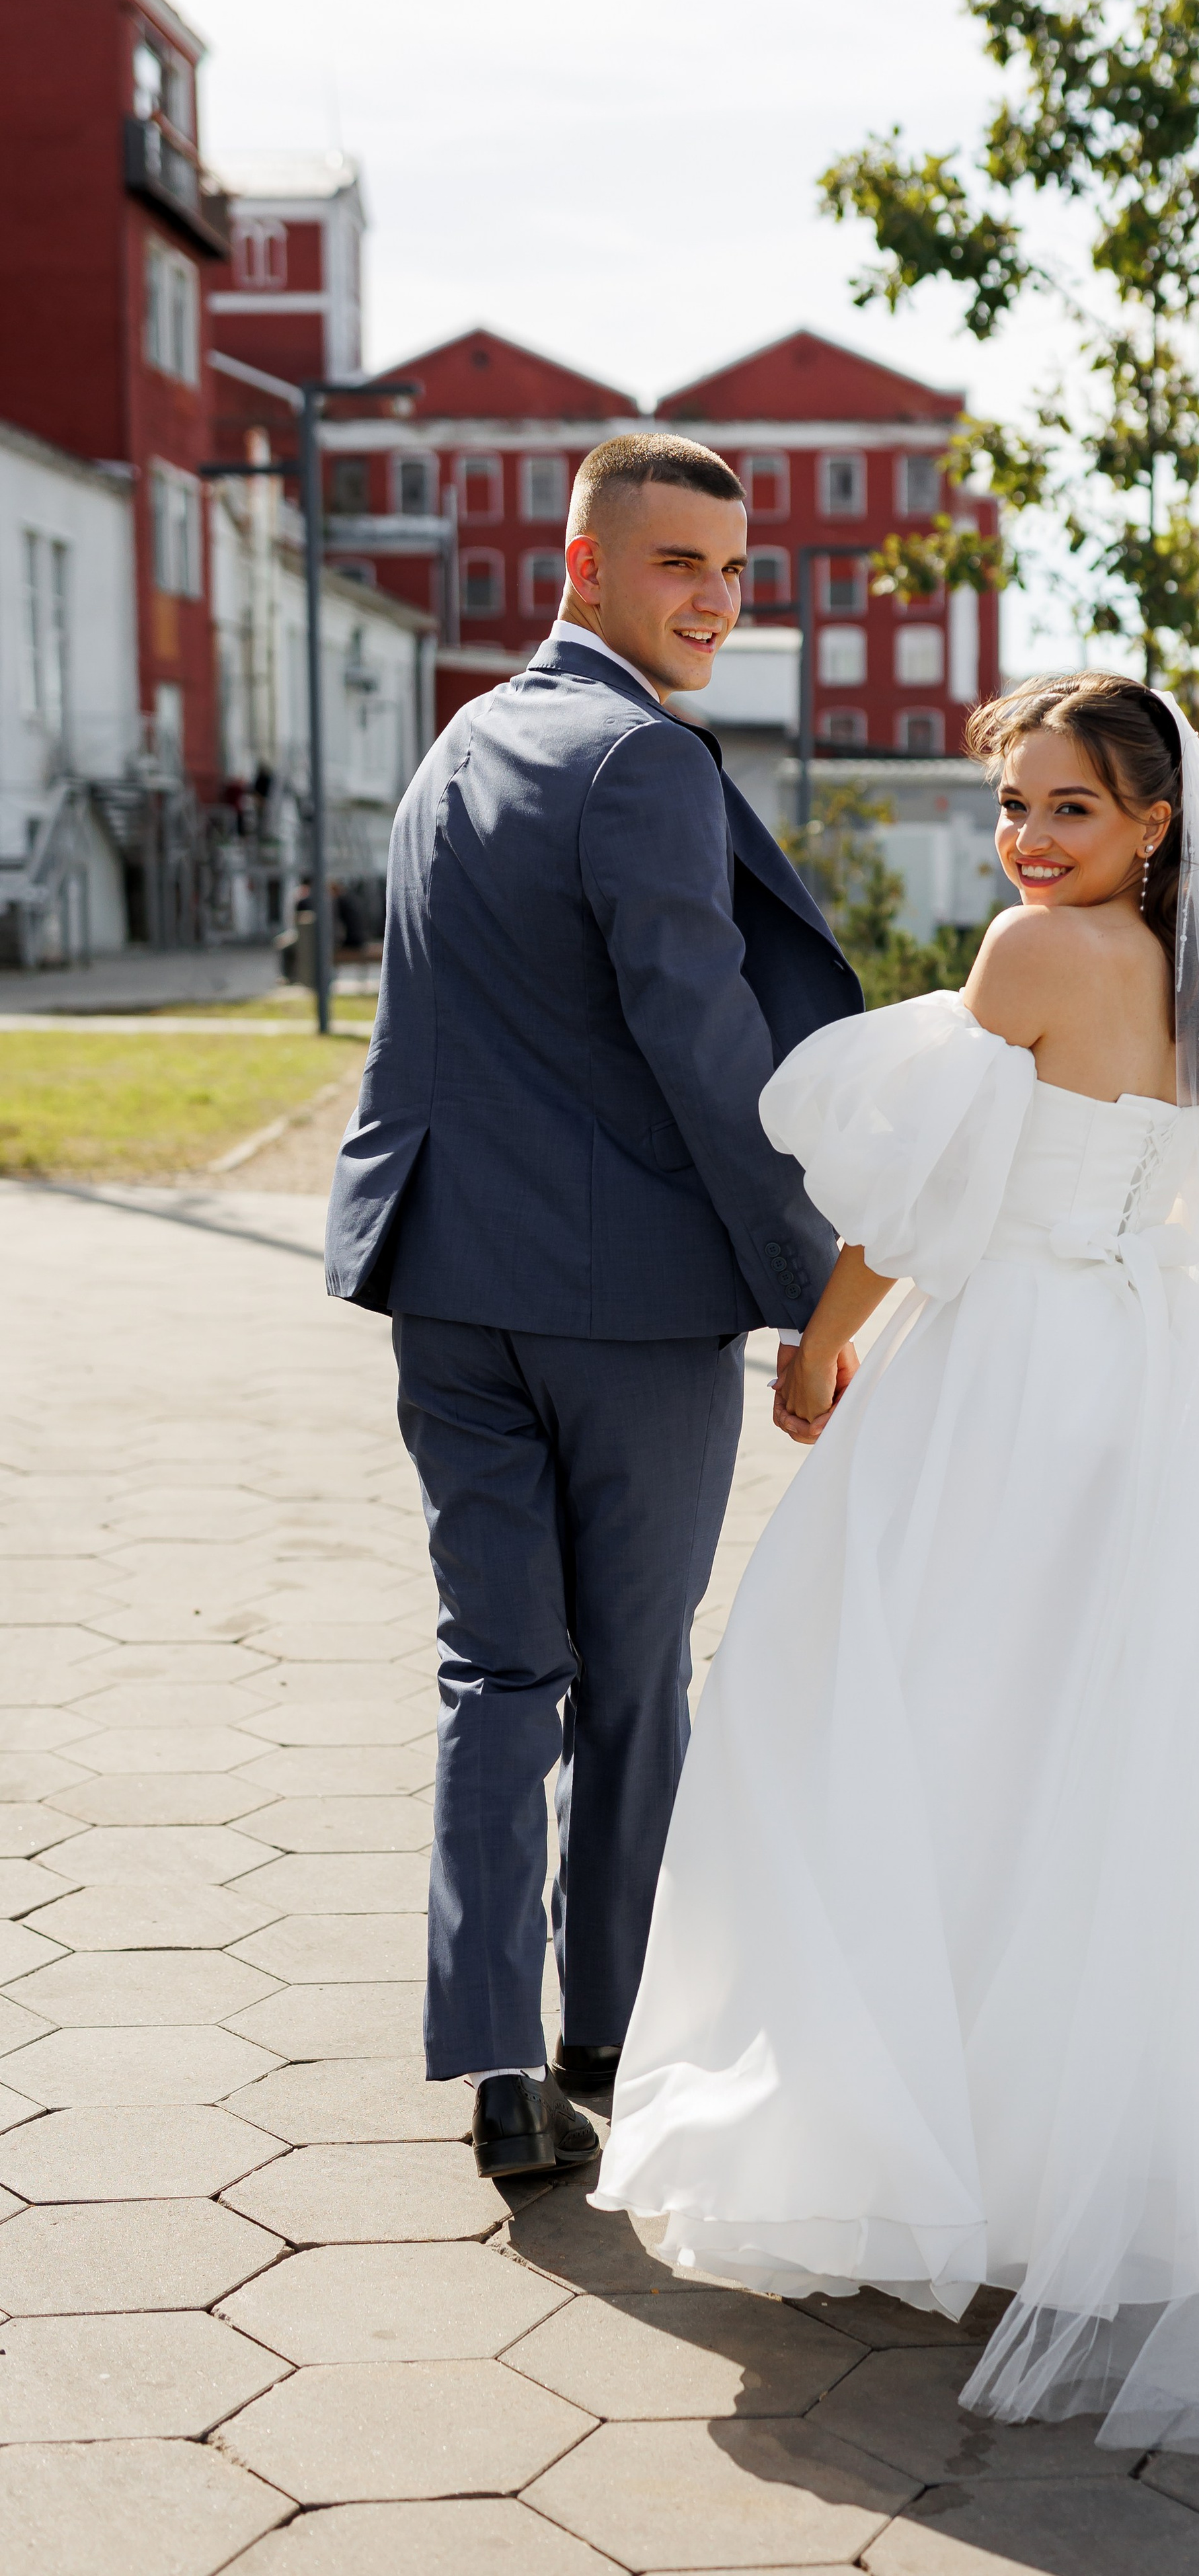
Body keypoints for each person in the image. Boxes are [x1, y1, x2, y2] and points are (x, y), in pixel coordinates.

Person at [594, 674, 1199, 2483]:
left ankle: (912, 2140)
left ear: (1154, 821)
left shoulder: (1030, 956)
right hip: (1132, 1377)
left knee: (896, 1726)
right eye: (1015, 804)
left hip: (1001, 1376)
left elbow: (916, 1205)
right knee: (1081, 1753)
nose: (1029, 839)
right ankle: (1068, 2154)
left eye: (1069, 807)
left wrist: (817, 1347)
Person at [323, 435, 862, 2181]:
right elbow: (705, 1053)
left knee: (495, 1670)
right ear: (583, 565)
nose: (715, 598)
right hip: (624, 1308)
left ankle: (496, 2062)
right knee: (629, 1679)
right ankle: (610, 2027)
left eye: (734, 568)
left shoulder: (461, 744)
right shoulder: (640, 759)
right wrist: (814, 1296)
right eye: (680, 563)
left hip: (443, 1287)